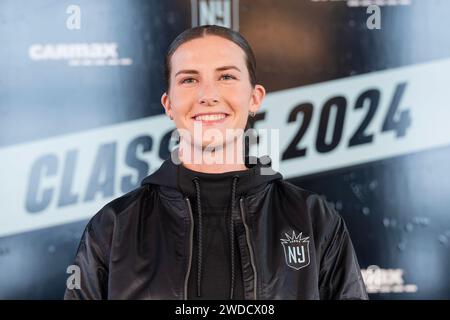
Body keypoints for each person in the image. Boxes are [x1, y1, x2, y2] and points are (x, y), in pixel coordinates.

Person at [64, 25, 368, 300]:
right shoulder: (114, 226)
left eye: (226, 77)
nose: (208, 95)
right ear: (169, 104)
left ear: (254, 98)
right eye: (189, 79)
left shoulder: (312, 219)